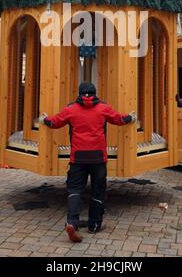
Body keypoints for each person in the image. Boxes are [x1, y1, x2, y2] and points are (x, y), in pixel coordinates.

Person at [39, 81, 136, 242]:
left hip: (78, 157)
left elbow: (54, 122)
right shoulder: (103, 108)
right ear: (94, 93)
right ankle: (94, 225)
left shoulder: (71, 109)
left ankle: (72, 223)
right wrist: (131, 117)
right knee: (98, 190)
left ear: (79, 93)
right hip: (98, 157)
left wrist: (44, 119)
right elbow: (119, 119)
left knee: (75, 189)